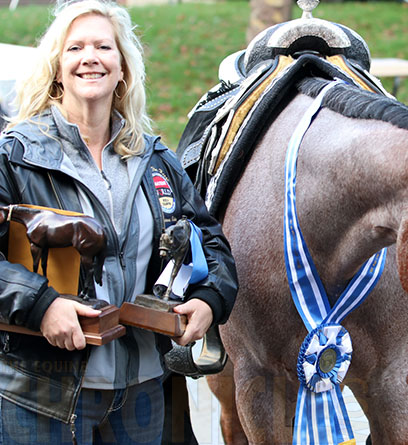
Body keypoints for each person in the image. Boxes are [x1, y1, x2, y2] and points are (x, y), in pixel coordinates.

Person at [0, 1, 237, 444]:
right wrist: (42, 305)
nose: (90, 56)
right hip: (39, 394)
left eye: (103, 46)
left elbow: (210, 241)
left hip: (142, 391)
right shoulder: (14, 155)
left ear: (122, 67)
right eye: (75, 48)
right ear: (56, 68)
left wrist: (209, 299)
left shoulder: (156, 160)